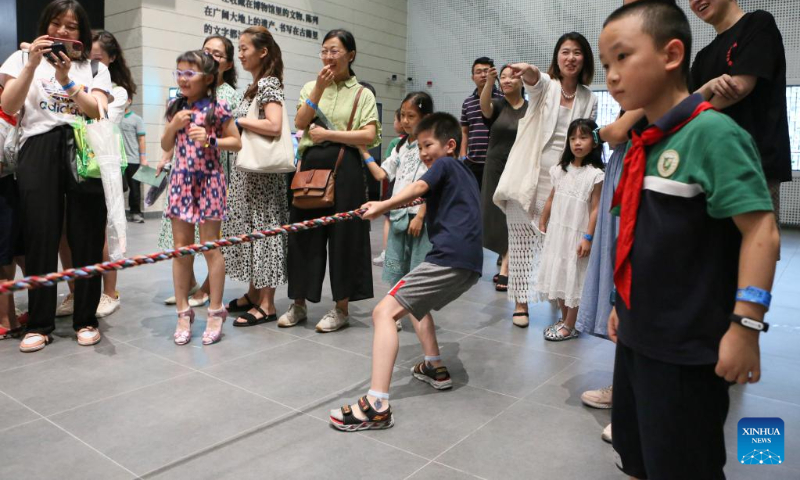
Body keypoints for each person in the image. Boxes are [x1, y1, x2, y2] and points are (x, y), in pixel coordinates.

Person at [599, 1, 779, 478]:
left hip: (687, 348)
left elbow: (761, 229)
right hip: (638, 339)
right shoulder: (649, 142)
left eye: (622, 57)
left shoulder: (713, 134)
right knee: (640, 457)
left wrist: (746, 326)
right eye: (606, 65)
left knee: (683, 464)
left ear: (672, 54)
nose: (612, 76)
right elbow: (639, 236)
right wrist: (621, 302)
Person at [329, 112, 481, 431]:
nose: (424, 153)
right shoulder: (463, 171)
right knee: (411, 304)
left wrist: (381, 206)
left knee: (383, 313)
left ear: (450, 145)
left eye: (428, 145)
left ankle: (377, 404)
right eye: (421, 146)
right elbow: (420, 193)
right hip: (468, 266)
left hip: (447, 258)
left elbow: (419, 187)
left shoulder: (445, 165)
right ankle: (434, 365)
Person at [1, 0, 112, 352]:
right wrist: (33, 64)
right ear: (45, 25)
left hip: (83, 147)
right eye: (56, 23)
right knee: (39, 235)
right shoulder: (20, 58)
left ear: (82, 32)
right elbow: (8, 105)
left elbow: (96, 110)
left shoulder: (93, 66)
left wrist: (66, 80)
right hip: (37, 146)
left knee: (87, 235)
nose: (62, 31)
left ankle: (86, 318)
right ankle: (39, 323)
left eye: (71, 26)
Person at [493, 33, 597, 328]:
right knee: (522, 240)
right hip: (529, 172)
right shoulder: (547, 87)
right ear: (557, 57)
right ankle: (521, 303)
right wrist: (527, 70)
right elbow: (535, 82)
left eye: (577, 53)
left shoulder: (588, 97)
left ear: (584, 59)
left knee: (559, 242)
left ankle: (558, 295)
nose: (571, 58)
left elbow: (587, 135)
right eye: (565, 52)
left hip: (563, 177)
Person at [281, 29, 381, 333]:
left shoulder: (363, 93)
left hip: (346, 168)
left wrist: (330, 135)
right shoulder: (312, 86)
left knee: (344, 240)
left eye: (334, 51)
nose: (328, 57)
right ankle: (299, 304)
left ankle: (341, 308)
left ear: (351, 55)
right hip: (310, 167)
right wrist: (318, 91)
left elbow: (368, 135)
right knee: (302, 238)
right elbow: (299, 123)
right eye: (324, 51)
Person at [156, 50, 241, 346]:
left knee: (211, 248)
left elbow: (237, 142)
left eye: (189, 73)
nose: (182, 78)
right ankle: (183, 312)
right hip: (180, 180)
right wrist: (173, 125)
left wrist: (211, 139)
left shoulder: (218, 108)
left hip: (211, 181)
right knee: (181, 250)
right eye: (178, 72)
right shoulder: (175, 106)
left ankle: (215, 311)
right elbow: (166, 143)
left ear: (207, 78)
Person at [54, 29, 135, 319]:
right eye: (88, 53)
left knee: (100, 231)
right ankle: (76, 291)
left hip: (98, 166)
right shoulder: (68, 76)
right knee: (64, 229)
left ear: (111, 59)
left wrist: (74, 96)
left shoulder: (118, 90)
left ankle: (109, 293)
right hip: (65, 160)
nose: (90, 60)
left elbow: (97, 117)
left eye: (98, 56)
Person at [690, 0, 792, 223]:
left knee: (756, 249)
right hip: (711, 170)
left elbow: (739, 87)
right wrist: (706, 90)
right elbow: (685, 104)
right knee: (717, 253)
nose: (695, 1)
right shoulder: (703, 57)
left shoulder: (758, 24)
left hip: (754, 166)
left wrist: (697, 108)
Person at [222, 26, 289, 327]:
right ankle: (252, 293)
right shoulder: (254, 86)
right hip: (248, 176)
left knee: (265, 233)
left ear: (263, 52)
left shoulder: (269, 84)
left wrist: (239, 120)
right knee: (251, 233)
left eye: (245, 47)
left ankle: (268, 303)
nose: (241, 53)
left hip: (262, 178)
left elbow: (274, 125)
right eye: (239, 47)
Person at [361, 91, 434, 331]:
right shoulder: (400, 145)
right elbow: (383, 174)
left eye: (411, 115)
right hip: (399, 216)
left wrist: (422, 214)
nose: (405, 120)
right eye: (402, 115)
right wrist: (363, 152)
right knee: (397, 267)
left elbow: (432, 183)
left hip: (418, 218)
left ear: (426, 117)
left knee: (415, 269)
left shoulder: (430, 146)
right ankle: (396, 312)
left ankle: (418, 314)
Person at [536, 119, 604, 341]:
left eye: (583, 137)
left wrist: (588, 237)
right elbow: (552, 196)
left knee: (573, 277)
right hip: (558, 233)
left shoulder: (595, 174)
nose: (577, 143)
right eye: (573, 138)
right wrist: (544, 218)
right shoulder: (559, 170)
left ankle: (570, 325)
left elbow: (595, 209)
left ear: (593, 142)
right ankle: (565, 320)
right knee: (559, 274)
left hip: (577, 234)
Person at [479, 64, 528, 292]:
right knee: (494, 216)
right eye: (503, 78)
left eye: (512, 77)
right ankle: (504, 258)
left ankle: (506, 268)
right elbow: (485, 108)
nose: (507, 80)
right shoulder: (498, 105)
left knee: (513, 215)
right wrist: (489, 82)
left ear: (521, 81)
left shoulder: (530, 108)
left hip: (519, 167)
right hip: (494, 166)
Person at [460, 57, 503, 190]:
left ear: (494, 74)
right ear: (473, 77)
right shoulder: (467, 102)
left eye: (486, 71)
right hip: (473, 162)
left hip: (497, 161)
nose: (483, 75)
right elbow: (464, 131)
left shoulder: (503, 99)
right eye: (478, 72)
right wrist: (462, 155)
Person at [372, 108, 405, 267]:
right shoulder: (402, 144)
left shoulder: (395, 142)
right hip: (402, 188)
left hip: (396, 187)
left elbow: (384, 171)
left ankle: (387, 252)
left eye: (394, 119)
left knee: (389, 220)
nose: (394, 123)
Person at [119, 98, 146, 223]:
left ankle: (135, 212)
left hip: (133, 159)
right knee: (117, 188)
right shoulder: (113, 117)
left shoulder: (137, 119)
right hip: (117, 160)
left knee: (135, 188)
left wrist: (143, 158)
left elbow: (141, 139)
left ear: (129, 101)